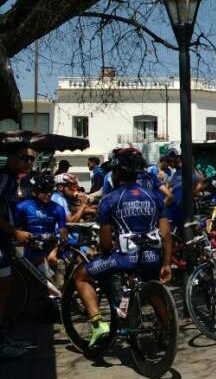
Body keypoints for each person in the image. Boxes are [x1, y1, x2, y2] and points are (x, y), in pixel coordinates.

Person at [73, 148, 172, 348]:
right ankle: (169, 330)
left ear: (116, 174)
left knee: (81, 276)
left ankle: (98, 323)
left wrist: (107, 255)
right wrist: (167, 263)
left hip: (126, 258)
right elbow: (166, 234)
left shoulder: (109, 200)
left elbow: (106, 243)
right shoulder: (154, 197)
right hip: (153, 256)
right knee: (153, 290)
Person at [0, 148, 34, 358]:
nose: (28, 162)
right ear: (9, 157)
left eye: (31, 158)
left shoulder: (13, 181)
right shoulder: (4, 179)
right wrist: (15, 232)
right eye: (23, 157)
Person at [15, 173, 68, 287]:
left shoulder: (58, 208)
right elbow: (16, 232)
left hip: (52, 249)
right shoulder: (22, 207)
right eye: (44, 191)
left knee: (58, 272)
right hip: (31, 250)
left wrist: (54, 252)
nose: (48, 194)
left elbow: (63, 235)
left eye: (50, 191)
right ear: (34, 191)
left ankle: (62, 295)